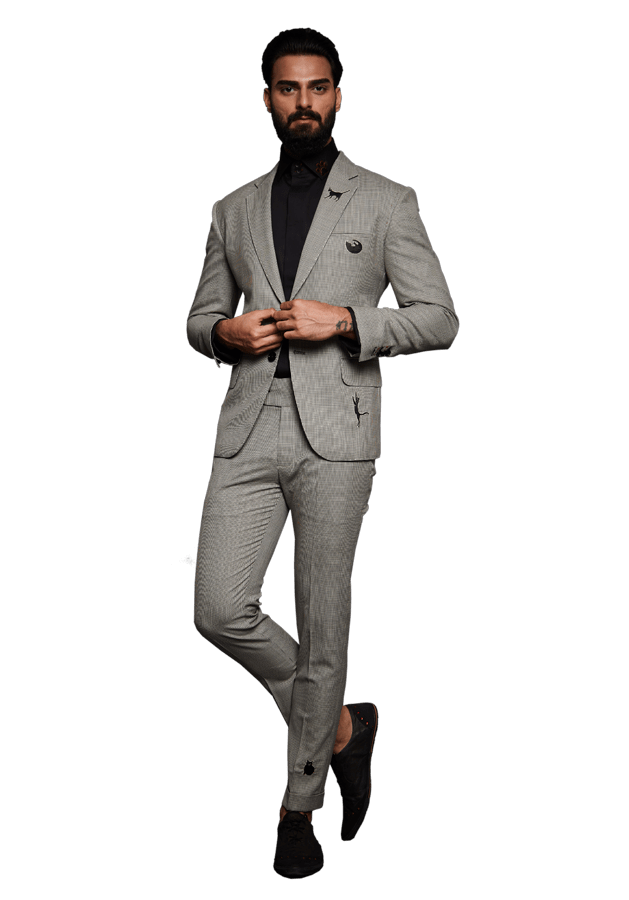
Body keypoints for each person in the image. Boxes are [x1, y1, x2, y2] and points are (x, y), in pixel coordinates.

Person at [187, 26, 459, 879]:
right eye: (286, 87)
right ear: (266, 98)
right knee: (217, 607)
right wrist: (222, 334)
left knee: (324, 625)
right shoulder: (230, 208)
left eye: (316, 87)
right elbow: (198, 317)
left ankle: (296, 806)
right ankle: (343, 724)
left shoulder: (387, 200)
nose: (301, 101)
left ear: (337, 94)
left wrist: (345, 321)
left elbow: (439, 318)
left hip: (337, 435)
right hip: (245, 427)